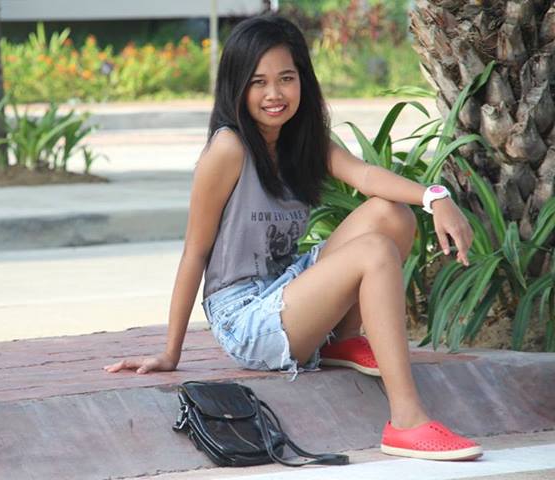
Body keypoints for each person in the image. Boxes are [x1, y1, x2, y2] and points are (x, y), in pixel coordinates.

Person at [104, 14, 482, 461]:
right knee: (374, 250)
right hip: (243, 316)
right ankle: (406, 420)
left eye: (286, 78)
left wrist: (435, 196)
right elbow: (195, 252)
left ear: (303, 79)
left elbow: (364, 176)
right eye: (258, 82)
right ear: (237, 86)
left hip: (286, 288)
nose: (274, 94)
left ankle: (342, 339)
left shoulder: (300, 139)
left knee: (391, 215)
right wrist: (171, 352)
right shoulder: (228, 149)